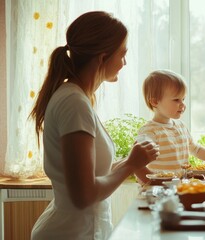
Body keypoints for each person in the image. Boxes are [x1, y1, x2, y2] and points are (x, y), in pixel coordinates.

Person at [28, 11, 159, 240]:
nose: (124, 63)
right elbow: (84, 195)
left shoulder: (76, 98)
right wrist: (130, 164)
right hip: (71, 234)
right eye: (122, 54)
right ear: (102, 57)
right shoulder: (74, 103)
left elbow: (92, 173)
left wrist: (131, 162)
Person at [134, 70, 205, 183]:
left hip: (180, 187)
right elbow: (139, 156)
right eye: (176, 100)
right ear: (154, 102)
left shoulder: (181, 126)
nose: (182, 104)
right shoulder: (149, 131)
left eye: (183, 99)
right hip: (159, 190)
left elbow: (195, 149)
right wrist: (154, 183)